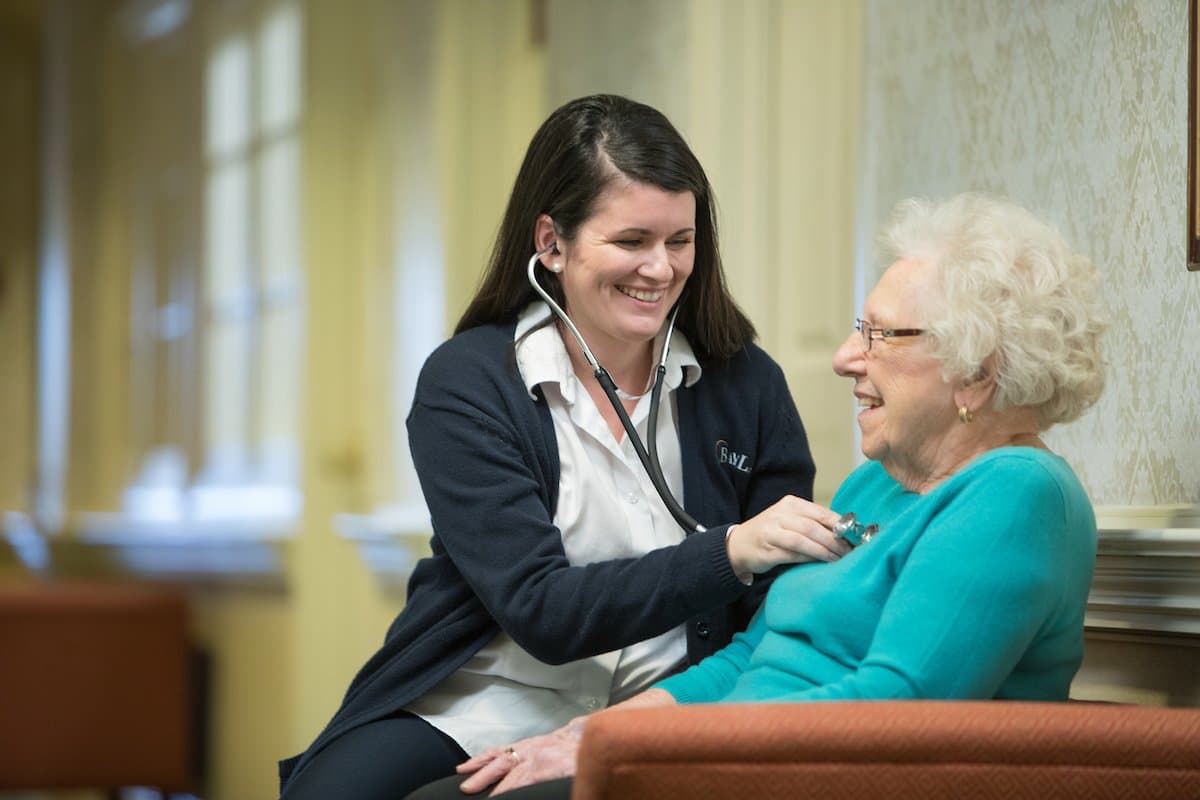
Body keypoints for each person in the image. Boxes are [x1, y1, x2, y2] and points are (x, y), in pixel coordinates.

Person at [420, 192, 1108, 798]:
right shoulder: (880, 480)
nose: (845, 356)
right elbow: (754, 657)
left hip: (793, 777)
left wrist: (650, 751)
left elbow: (895, 709)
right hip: (733, 761)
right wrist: (594, 734)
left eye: (880, 335)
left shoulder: (1018, 496)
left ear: (976, 375)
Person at [278, 94, 845, 799]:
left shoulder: (746, 383)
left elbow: (777, 604)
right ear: (551, 242)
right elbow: (541, 610)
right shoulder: (469, 382)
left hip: (668, 699)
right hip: (487, 696)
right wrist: (728, 550)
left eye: (680, 241)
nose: (661, 270)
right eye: (631, 241)